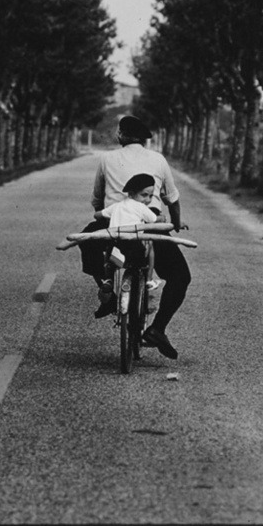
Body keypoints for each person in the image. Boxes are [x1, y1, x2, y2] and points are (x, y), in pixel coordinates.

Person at [79, 115, 191, 360]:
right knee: (180, 276)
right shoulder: (158, 159)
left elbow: (97, 199)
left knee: (88, 243)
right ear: (143, 139)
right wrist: (176, 222)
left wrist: (106, 213)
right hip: (148, 227)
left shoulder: (107, 159)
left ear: (121, 135)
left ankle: (107, 288)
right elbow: (172, 198)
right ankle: (157, 329)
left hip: (114, 225)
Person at [93, 173, 164, 297]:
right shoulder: (141, 208)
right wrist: (162, 218)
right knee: (150, 244)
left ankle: (108, 279)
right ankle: (149, 279)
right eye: (144, 195)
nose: (147, 199)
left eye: (151, 196)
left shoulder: (116, 206)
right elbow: (153, 219)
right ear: (131, 193)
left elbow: (97, 215)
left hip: (115, 243)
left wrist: (106, 217)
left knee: (109, 257)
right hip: (134, 245)